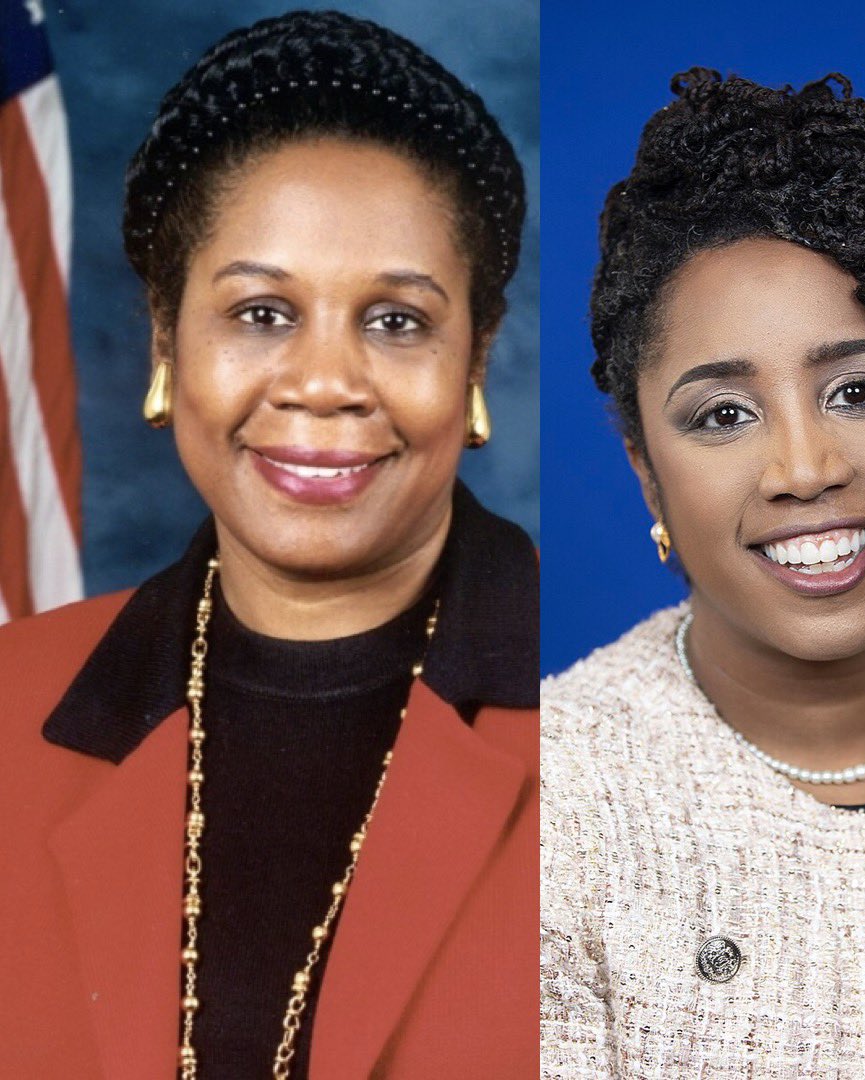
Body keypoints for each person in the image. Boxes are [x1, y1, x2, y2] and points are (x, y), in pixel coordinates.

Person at [1, 12, 537, 1078]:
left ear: (475, 355)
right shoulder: (11, 709)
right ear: (167, 341)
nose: (325, 382)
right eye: (260, 313)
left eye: (395, 321)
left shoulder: (642, 722)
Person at [541, 69, 865, 1079]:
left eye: (861, 390)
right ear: (647, 475)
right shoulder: (549, 814)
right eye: (724, 415)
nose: (804, 469)